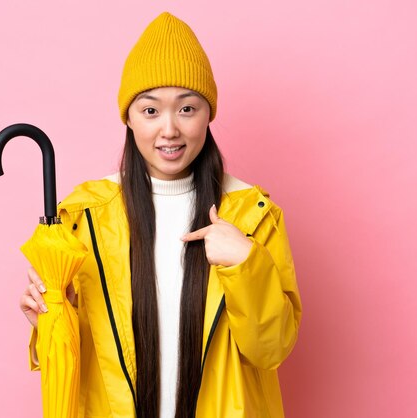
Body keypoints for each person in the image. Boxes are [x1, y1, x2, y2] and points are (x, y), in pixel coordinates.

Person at [19, 11, 302, 418]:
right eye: (150, 111)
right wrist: (46, 323)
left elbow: (271, 349)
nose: (169, 129)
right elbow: (76, 365)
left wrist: (246, 262)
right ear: (129, 118)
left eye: (187, 109)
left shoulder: (253, 215)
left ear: (209, 115)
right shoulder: (84, 218)